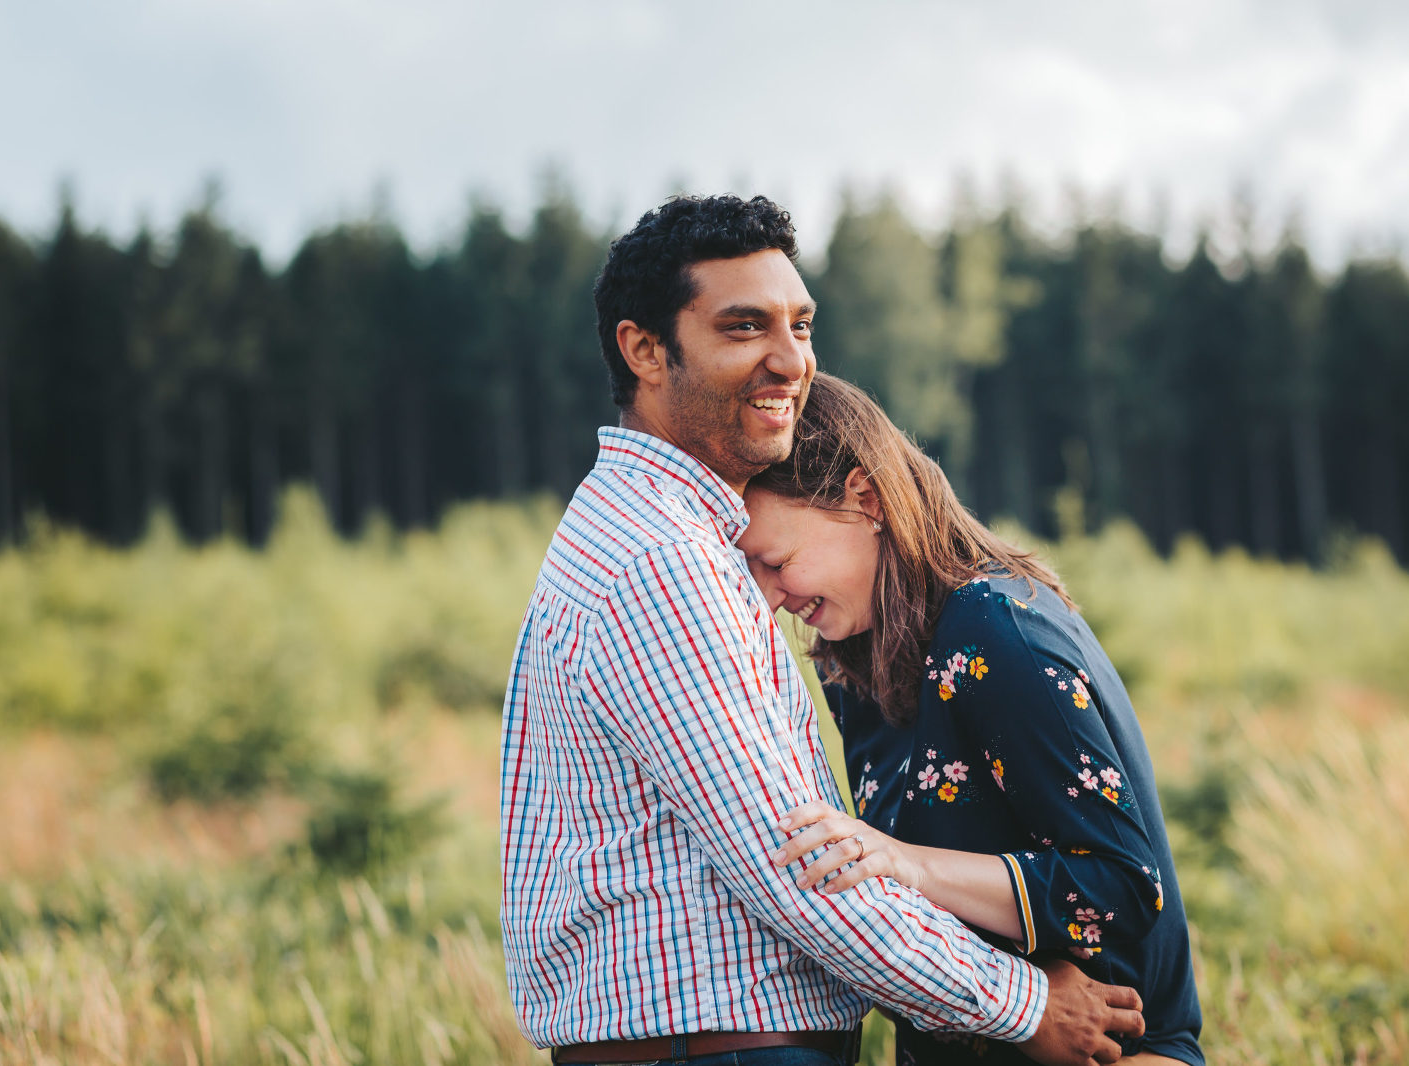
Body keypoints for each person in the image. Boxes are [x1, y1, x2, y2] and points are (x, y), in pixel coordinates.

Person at [501, 194, 1145, 1066]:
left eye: (800, 326)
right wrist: (1025, 1005)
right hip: (724, 1051)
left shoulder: (655, 536)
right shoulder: (663, 562)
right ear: (645, 351)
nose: (788, 360)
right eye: (743, 328)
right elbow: (800, 871)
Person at [739, 373, 1204, 1066]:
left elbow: (1122, 887)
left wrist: (905, 864)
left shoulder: (994, 628)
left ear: (864, 499)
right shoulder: (853, 663)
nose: (769, 598)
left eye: (776, 562)